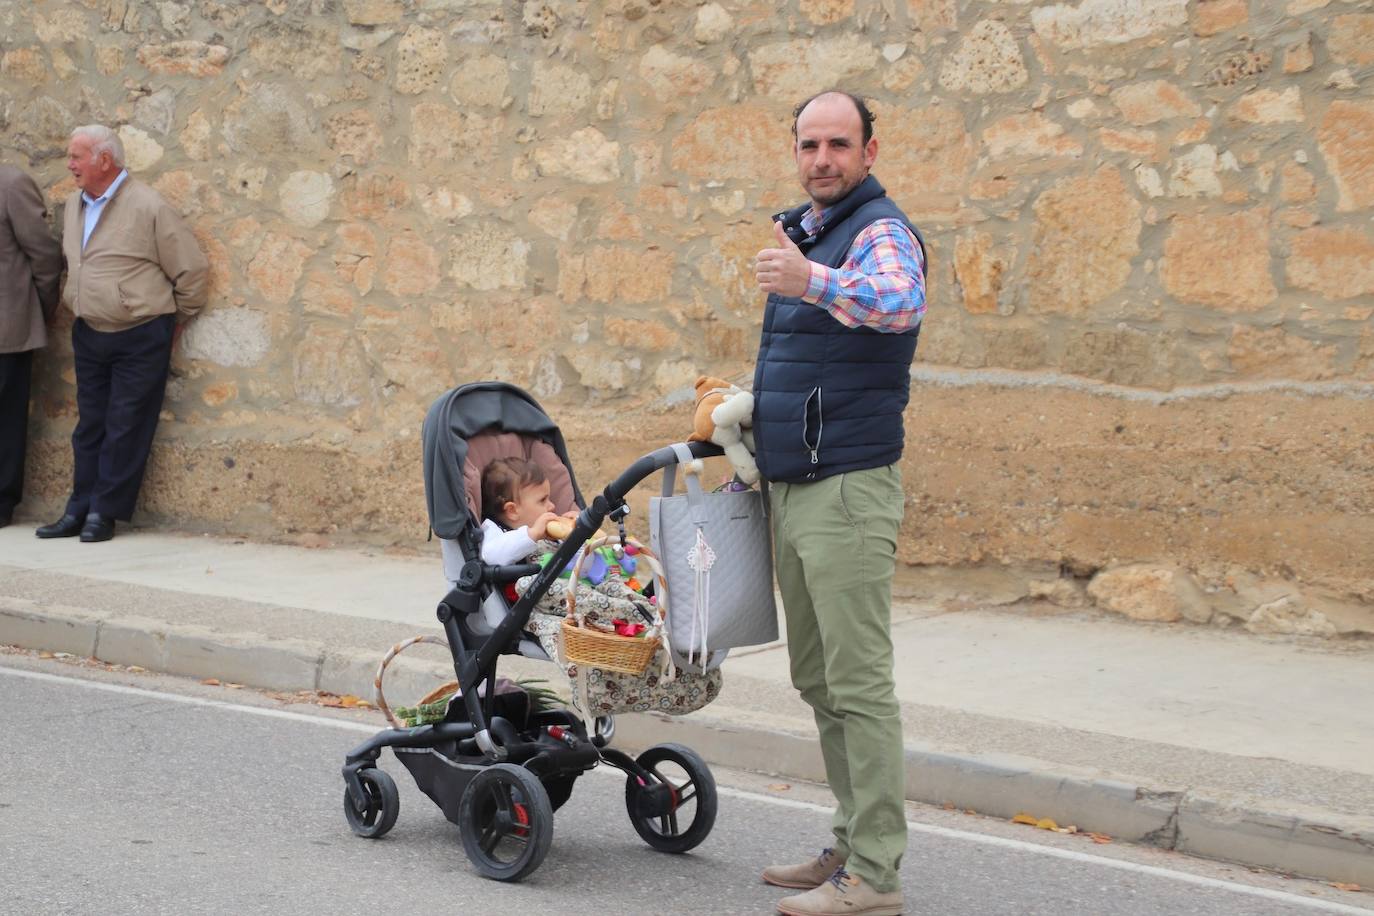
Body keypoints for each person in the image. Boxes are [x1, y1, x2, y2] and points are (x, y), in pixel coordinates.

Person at [751, 90, 927, 916]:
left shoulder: (879, 230)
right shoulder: (809, 232)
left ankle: (878, 877)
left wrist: (810, 278)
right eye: (809, 144)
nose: (822, 158)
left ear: (869, 150)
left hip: (850, 489)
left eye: (839, 144)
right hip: (797, 484)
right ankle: (851, 844)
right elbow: (804, 366)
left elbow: (899, 305)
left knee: (859, 685)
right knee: (819, 680)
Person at [35, 125, 208, 543]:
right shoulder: (75, 203)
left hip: (141, 332)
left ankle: (104, 513)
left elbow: (191, 268)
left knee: (125, 424)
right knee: (90, 425)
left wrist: (175, 318)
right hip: (90, 330)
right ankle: (78, 507)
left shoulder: (148, 205)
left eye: (77, 157)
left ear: (104, 161)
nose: (70, 165)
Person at [0, 164, 64, 529]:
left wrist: (38, 309)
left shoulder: (11, 183)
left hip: (7, 329)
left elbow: (44, 255)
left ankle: (2, 502)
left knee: (5, 421)